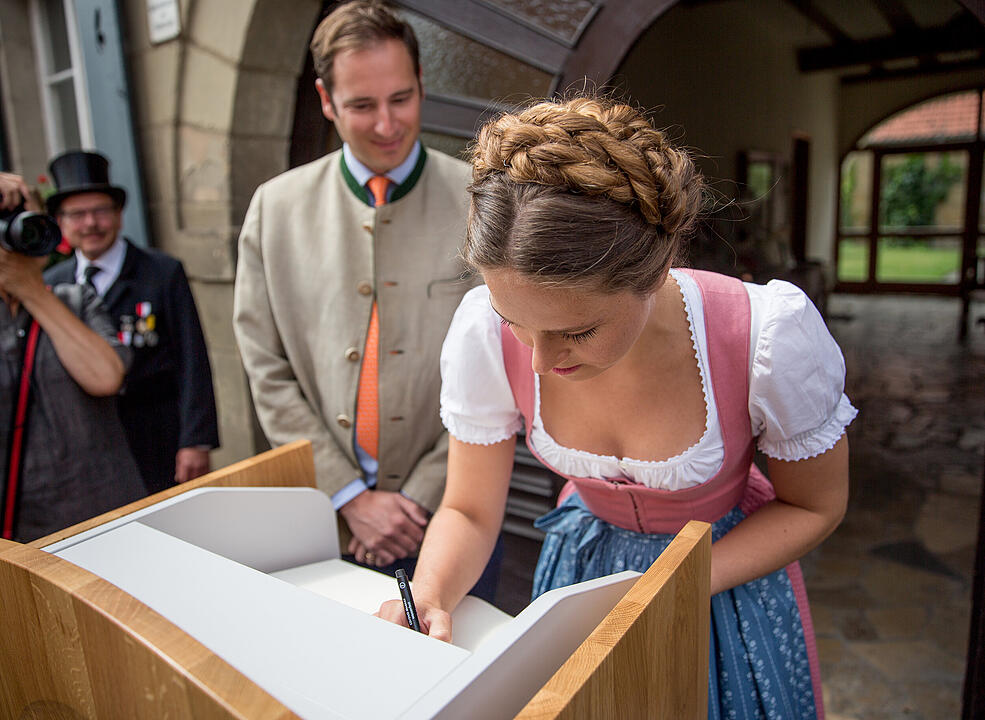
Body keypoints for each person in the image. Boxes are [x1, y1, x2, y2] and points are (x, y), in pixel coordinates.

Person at [378, 95, 856, 719]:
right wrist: (432, 592)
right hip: (579, 581)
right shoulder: (482, 335)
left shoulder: (765, 334)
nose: (542, 362)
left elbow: (815, 503)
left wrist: (671, 586)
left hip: (717, 586)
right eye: (514, 321)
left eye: (576, 332)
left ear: (655, 273)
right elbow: (468, 510)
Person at [233, 0, 500, 594]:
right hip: (323, 522)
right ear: (326, 102)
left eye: (401, 98)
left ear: (423, 85)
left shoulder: (484, 204)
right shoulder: (274, 210)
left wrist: (417, 497)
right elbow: (266, 370)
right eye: (361, 105)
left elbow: (500, 367)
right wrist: (349, 495)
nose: (387, 124)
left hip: (455, 513)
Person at [44, 151, 219, 494]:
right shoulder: (51, 286)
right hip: (87, 446)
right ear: (61, 223)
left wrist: (196, 440)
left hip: (158, 438)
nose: (90, 224)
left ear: (119, 215)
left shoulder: (161, 272)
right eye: (77, 215)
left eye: (100, 211)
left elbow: (192, 359)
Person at [0, 172, 144, 542]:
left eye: (27, 221)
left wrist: (32, 291)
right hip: (23, 533)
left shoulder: (77, 300)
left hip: (107, 515)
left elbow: (106, 377)